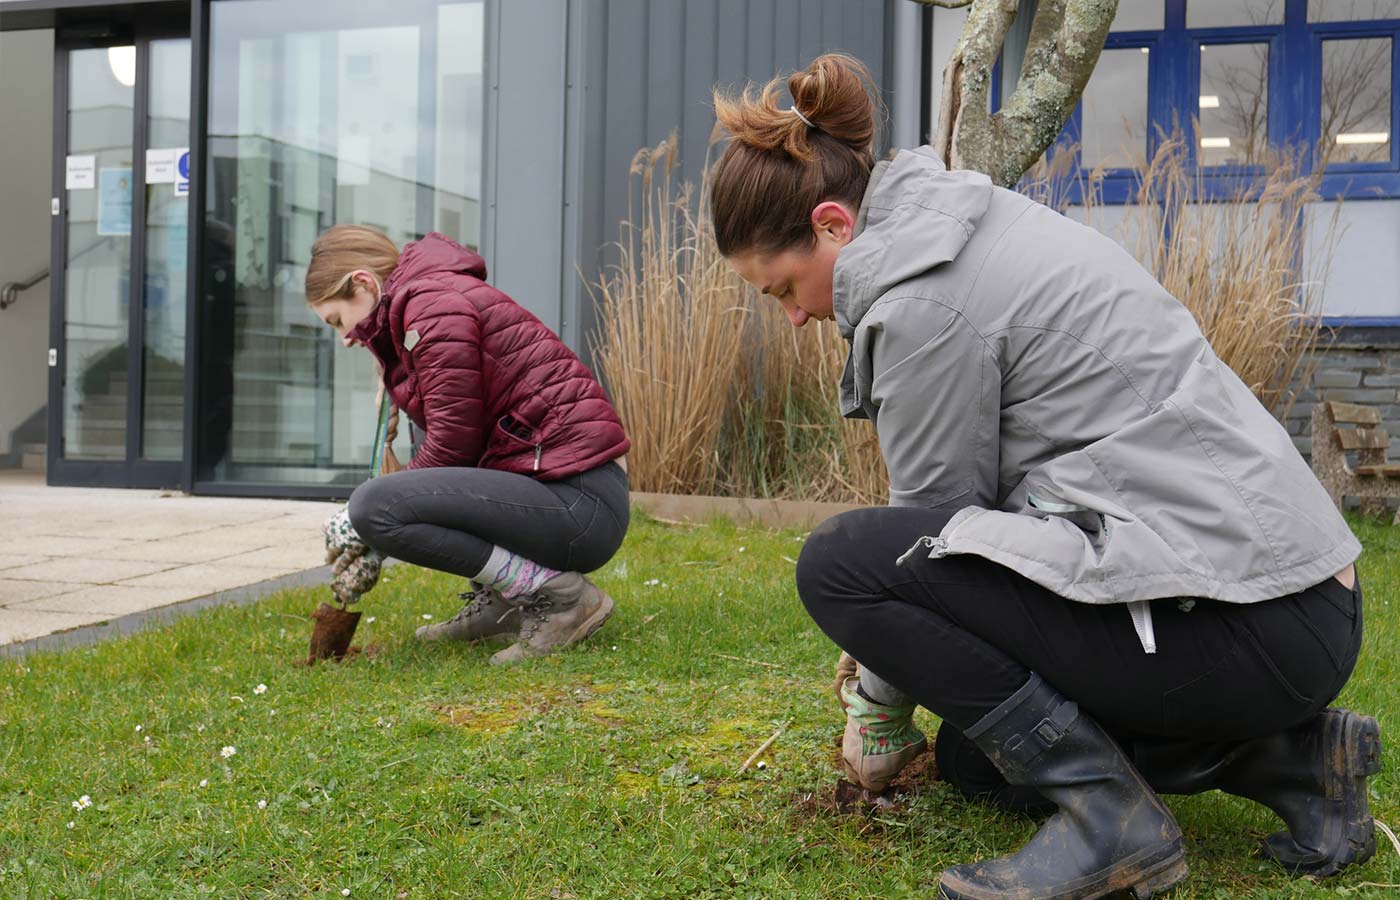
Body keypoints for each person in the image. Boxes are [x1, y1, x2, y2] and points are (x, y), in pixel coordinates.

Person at [710, 53, 1380, 900]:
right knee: (978, 760)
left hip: (1249, 616)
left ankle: (1113, 824)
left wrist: (876, 706)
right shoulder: (962, 223)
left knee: (839, 564)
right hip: (1296, 604)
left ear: (834, 225)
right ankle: (1301, 763)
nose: (797, 314)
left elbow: (930, 538)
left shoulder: (922, 302)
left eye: (783, 289)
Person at [306, 225, 631, 666]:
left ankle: (561, 601)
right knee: (382, 503)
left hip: (580, 504)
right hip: (560, 495)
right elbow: (467, 451)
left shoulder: (431, 306)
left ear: (363, 282)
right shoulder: (420, 309)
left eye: (338, 320)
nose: (345, 337)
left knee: (372, 506)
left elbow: (452, 445)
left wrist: (365, 524)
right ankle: (502, 603)